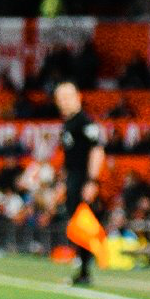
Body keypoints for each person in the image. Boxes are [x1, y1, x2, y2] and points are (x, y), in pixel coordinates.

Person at [54, 80, 106, 286]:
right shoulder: (69, 123)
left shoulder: (85, 122)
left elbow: (97, 150)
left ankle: (86, 268)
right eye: (60, 98)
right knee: (76, 223)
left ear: (78, 97)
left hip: (83, 178)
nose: (64, 102)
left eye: (68, 97)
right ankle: (83, 267)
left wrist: (92, 181)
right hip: (73, 178)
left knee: (83, 223)